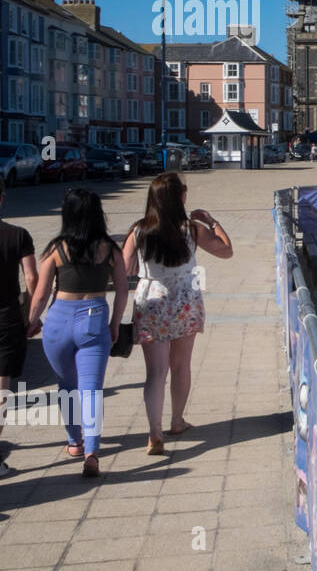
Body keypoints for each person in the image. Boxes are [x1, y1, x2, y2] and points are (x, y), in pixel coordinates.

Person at [122, 173, 233, 454]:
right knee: (181, 365)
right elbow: (227, 251)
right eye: (184, 191)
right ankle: (177, 421)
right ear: (179, 197)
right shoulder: (191, 229)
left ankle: (154, 433)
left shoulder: (138, 230)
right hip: (185, 302)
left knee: (155, 373)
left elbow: (123, 270)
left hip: (151, 303)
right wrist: (211, 221)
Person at [26, 189, 127, 478]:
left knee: (67, 385)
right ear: (98, 214)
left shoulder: (56, 249)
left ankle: (74, 441)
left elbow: (41, 294)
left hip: (59, 320)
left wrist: (32, 322)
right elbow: (122, 291)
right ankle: (92, 452)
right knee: (91, 390)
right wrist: (116, 323)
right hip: (94, 320)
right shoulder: (110, 250)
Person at [0, 180, 37, 478]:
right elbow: (32, 276)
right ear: (1, 199)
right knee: (1, 389)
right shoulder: (17, 235)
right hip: (6, 317)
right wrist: (33, 314)